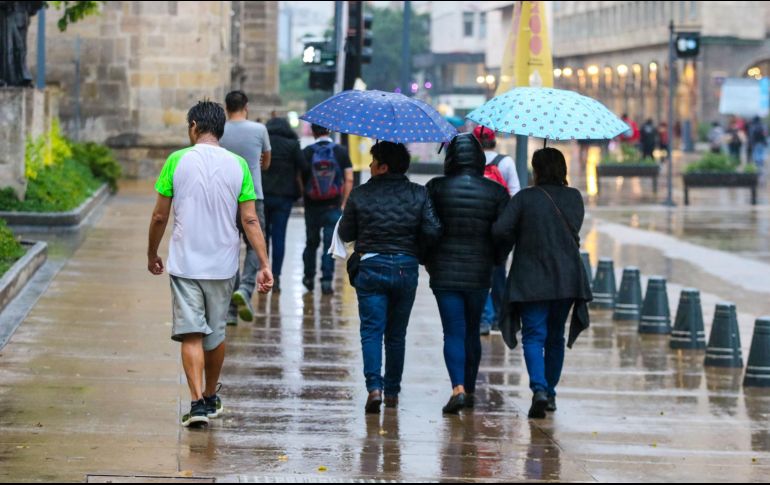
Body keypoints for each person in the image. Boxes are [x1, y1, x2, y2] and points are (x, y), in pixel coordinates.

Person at [147, 101, 273, 428]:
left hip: (185, 262)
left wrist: (152, 253)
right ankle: (209, 394)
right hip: (224, 263)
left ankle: (196, 403)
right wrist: (263, 263)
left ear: (193, 126)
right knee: (215, 335)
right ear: (220, 130)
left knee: (191, 332)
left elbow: (160, 215)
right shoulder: (239, 165)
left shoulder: (176, 160)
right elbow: (249, 219)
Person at [338, 141, 442, 414]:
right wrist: (416, 251)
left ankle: (375, 388)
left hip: (371, 267)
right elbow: (432, 230)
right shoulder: (419, 194)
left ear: (383, 166)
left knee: (371, 331)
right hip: (405, 269)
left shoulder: (360, 194)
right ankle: (393, 392)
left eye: (373, 162)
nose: (370, 166)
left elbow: (346, 232)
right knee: (396, 335)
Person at [492, 147, 592, 420]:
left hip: (531, 276)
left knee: (534, 335)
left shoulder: (525, 198)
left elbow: (501, 229)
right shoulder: (574, 198)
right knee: (555, 336)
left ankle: (538, 390)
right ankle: (550, 392)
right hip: (566, 278)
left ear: (536, 170)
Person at [425, 133, 510, 414]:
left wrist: (427, 260)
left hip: (445, 273)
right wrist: (497, 259)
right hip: (479, 272)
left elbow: (427, 228)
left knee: (452, 331)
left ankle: (457, 388)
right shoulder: (496, 192)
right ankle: (471, 389)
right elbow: (503, 233)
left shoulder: (435, 188)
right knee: (473, 330)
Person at [219, 90, 272, 325]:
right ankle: (246, 287)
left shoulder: (220, 130)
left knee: (230, 248)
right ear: (246, 106)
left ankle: (231, 310)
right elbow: (267, 162)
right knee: (255, 244)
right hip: (254, 195)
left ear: (226, 107)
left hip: (225, 197)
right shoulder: (259, 130)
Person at [472, 126, 518, 336]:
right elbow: (515, 195)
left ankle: (483, 318)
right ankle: (499, 317)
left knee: (480, 275)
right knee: (499, 273)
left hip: (476, 228)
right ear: (494, 141)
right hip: (500, 230)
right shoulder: (505, 162)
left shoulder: (471, 162)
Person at [302, 124, 354, 295]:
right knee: (328, 246)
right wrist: (344, 202)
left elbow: (300, 177)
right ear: (329, 131)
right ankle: (326, 281)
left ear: (313, 132)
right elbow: (349, 179)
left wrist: (305, 196)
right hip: (333, 206)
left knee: (311, 243)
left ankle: (309, 277)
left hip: (312, 206)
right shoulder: (340, 151)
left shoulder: (307, 152)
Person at [263, 117, 304, 292]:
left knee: (263, 237)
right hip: (284, 197)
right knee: (279, 237)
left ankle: (262, 271)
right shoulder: (292, 145)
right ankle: (277, 276)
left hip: (263, 195)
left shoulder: (265, 142)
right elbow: (304, 166)